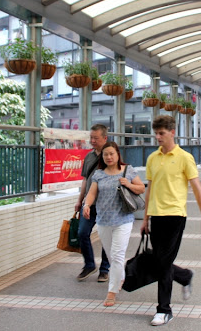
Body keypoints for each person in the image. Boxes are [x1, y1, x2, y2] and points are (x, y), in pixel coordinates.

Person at [142, 115, 201, 326]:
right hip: (156, 216)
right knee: (160, 260)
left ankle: (164, 310)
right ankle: (184, 276)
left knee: (162, 263)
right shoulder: (152, 158)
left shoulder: (184, 157)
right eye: (156, 133)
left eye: (161, 133)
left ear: (172, 132)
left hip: (175, 216)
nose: (158, 137)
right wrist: (145, 218)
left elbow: (197, 188)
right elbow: (150, 189)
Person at [82, 142, 146, 307]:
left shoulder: (128, 170)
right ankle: (121, 278)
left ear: (117, 154)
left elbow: (141, 189)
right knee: (111, 256)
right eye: (105, 155)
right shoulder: (98, 174)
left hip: (123, 220)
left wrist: (128, 184)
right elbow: (92, 193)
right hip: (103, 221)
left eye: (111, 154)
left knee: (117, 255)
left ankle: (112, 292)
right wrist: (86, 205)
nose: (109, 157)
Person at [74, 124, 110, 282]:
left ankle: (105, 269)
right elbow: (85, 180)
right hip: (88, 204)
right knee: (82, 232)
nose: (92, 141)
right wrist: (80, 201)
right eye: (91, 138)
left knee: (106, 237)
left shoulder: (110, 155)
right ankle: (89, 264)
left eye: (96, 138)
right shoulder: (89, 157)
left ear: (105, 138)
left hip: (107, 205)